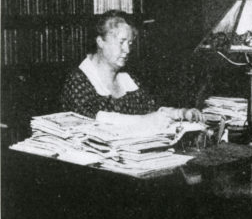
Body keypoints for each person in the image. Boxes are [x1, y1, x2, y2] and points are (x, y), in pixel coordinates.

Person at [61, 10, 205, 131]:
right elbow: (90, 119)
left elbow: (150, 111)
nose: (127, 50)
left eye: (130, 43)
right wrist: (144, 121)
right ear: (100, 42)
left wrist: (179, 113)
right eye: (121, 42)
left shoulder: (127, 79)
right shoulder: (79, 80)